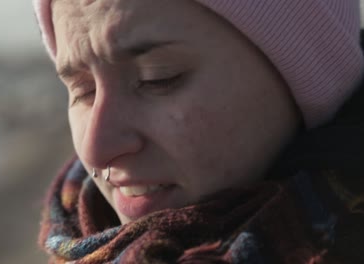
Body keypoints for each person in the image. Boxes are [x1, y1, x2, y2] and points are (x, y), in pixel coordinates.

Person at [33, 0, 364, 263]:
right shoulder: (78, 231)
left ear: (307, 76)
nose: (95, 149)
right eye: (83, 91)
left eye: (157, 77)